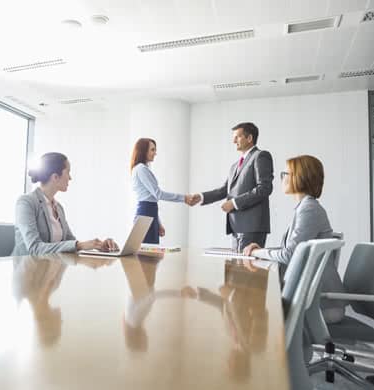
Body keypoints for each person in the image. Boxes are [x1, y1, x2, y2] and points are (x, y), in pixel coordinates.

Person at [242, 155, 347, 323]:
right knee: (255, 307)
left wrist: (258, 252)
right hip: (313, 299)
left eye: (286, 173)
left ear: (300, 177)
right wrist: (258, 251)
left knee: (256, 311)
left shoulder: (309, 210)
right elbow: (292, 250)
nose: (282, 178)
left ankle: (288, 349)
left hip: (323, 306)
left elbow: (289, 255)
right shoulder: (304, 208)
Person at [188, 122, 274, 251]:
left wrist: (234, 203)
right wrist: (201, 197)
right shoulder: (235, 165)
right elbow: (224, 190)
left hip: (252, 227)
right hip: (236, 226)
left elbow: (264, 188)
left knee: (248, 269)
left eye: (237, 137)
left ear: (249, 138)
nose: (234, 141)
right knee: (236, 269)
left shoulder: (261, 156)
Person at [12, 152, 118, 256]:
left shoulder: (58, 208)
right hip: (29, 270)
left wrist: (98, 245)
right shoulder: (26, 203)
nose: (70, 178)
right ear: (55, 177)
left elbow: (71, 242)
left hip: (52, 269)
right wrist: (79, 245)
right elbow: (34, 248)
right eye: (68, 172)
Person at [130, 138, 194, 244]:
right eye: (152, 150)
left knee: (150, 255)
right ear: (143, 150)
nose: (155, 153)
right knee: (146, 256)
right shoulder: (141, 169)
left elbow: (152, 199)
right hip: (145, 215)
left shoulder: (142, 168)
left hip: (150, 213)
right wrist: (184, 198)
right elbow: (158, 194)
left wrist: (158, 222)